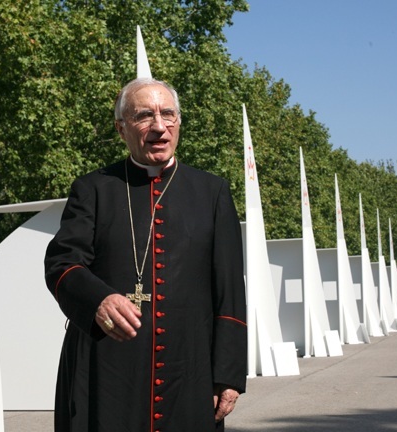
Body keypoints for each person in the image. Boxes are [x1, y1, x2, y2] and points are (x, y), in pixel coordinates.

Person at [44, 77, 247, 432]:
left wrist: (228, 373)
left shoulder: (212, 192)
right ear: (121, 128)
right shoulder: (93, 189)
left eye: (167, 114)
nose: (158, 126)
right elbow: (62, 263)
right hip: (108, 366)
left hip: (189, 367)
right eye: (144, 116)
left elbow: (230, 289)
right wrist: (99, 299)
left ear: (179, 122)